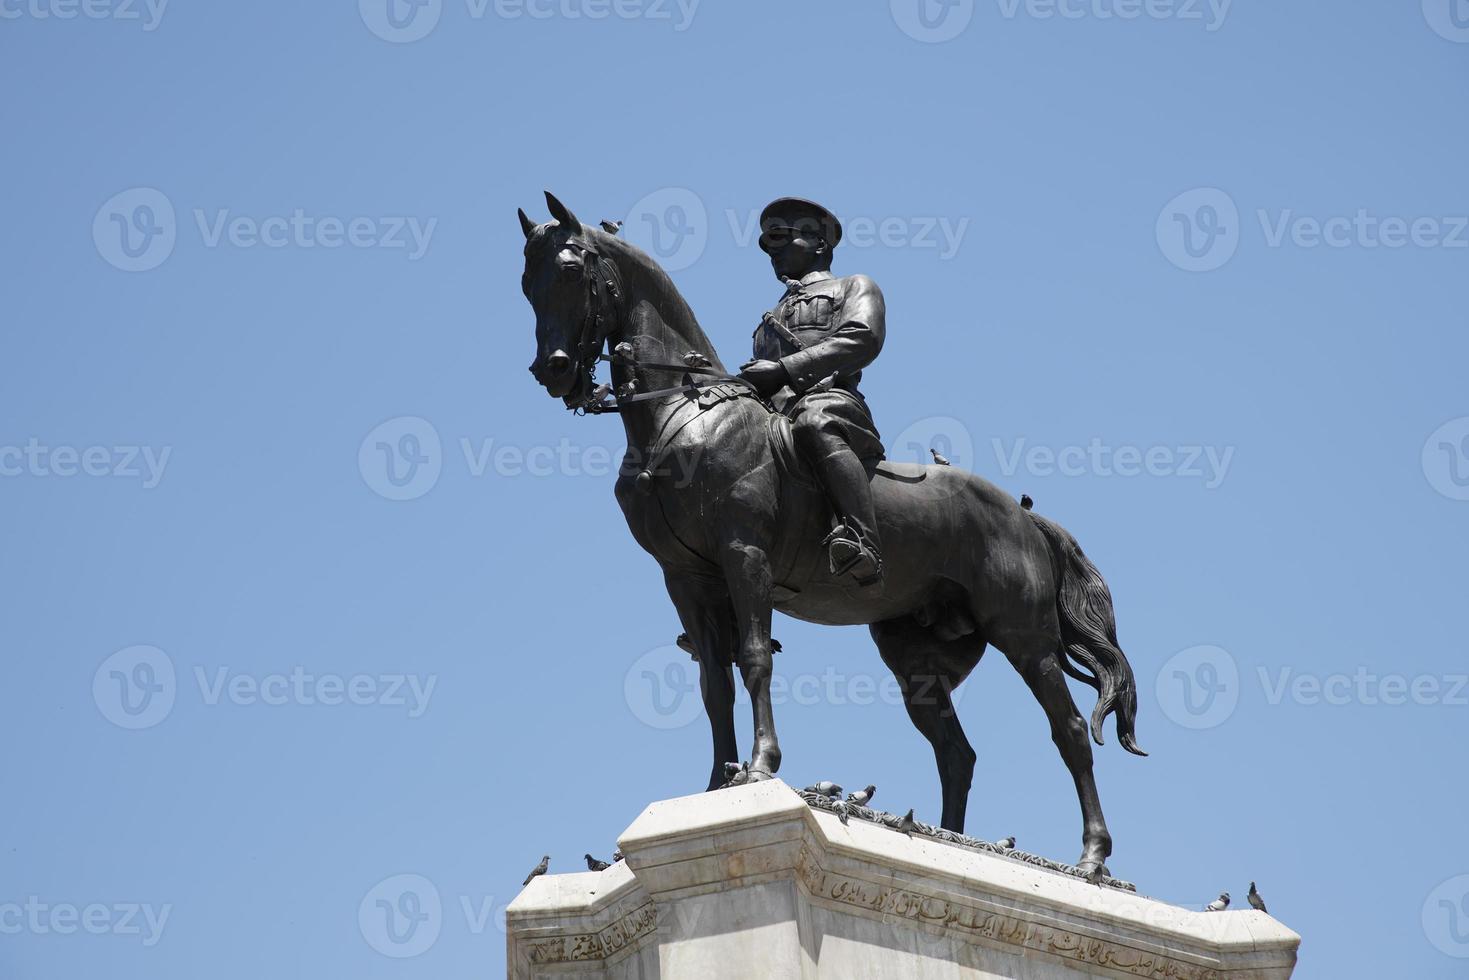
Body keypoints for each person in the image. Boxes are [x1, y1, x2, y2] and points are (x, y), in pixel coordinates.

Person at [739, 197, 887, 590]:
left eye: (783, 238)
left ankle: (862, 539)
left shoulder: (854, 286)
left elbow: (863, 338)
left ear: (819, 243)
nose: (773, 251)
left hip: (833, 404)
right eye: (768, 243)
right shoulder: (768, 320)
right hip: (773, 416)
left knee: (813, 422)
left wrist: (785, 369)